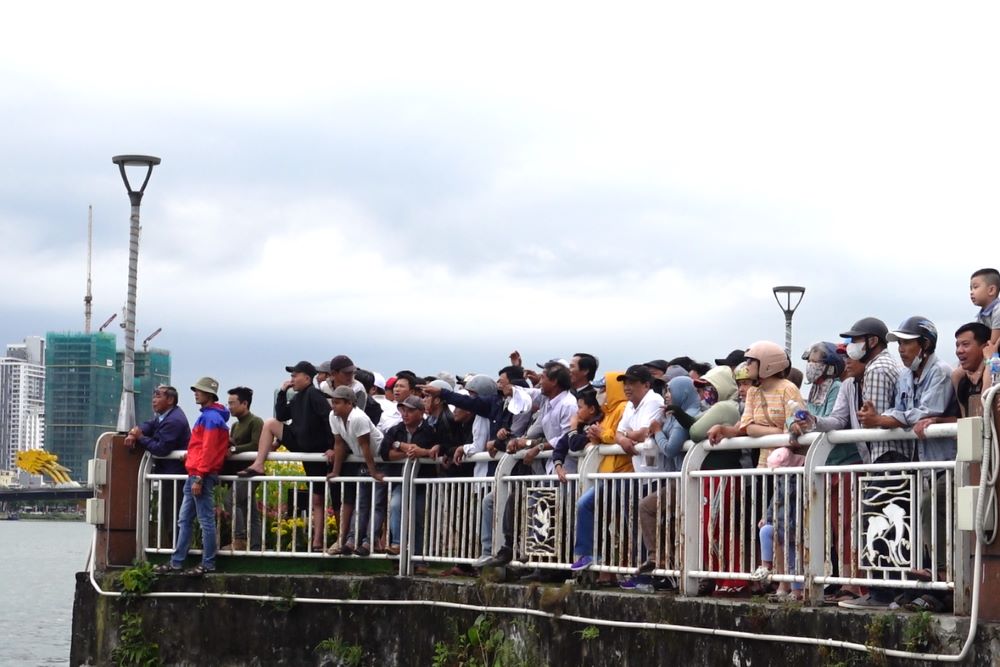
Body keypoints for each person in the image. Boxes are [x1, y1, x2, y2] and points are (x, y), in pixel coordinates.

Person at [849, 317, 958, 611]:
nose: (901, 349)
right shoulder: (905, 376)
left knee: (929, 512)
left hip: (946, 460)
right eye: (899, 343)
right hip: (922, 463)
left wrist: (882, 420)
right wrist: (884, 417)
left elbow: (926, 410)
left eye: (908, 343)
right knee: (918, 516)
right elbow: (902, 410)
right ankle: (924, 582)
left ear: (925, 344)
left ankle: (943, 585)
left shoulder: (941, 371)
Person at [571, 365, 663, 573]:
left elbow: (645, 433)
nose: (627, 387)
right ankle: (588, 555)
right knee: (586, 505)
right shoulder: (627, 406)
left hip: (646, 475)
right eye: (625, 383)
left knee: (636, 524)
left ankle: (643, 574)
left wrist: (620, 436)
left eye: (632, 383)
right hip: (629, 475)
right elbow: (621, 434)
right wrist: (624, 436)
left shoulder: (652, 401)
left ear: (646, 384)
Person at [238, 361, 332, 551]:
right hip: (301, 443)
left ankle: (317, 541)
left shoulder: (315, 395)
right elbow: (281, 415)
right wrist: (282, 393)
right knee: (271, 422)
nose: (292, 379)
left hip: (316, 449)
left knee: (317, 498)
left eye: (294, 376)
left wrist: (332, 447)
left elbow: (328, 419)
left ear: (307, 377)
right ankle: (259, 463)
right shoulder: (297, 398)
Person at [153, 377, 230, 575]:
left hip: (199, 475)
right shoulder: (211, 416)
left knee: (203, 521)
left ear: (209, 395)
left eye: (199, 391)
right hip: (196, 473)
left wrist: (199, 476)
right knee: (185, 520)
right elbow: (204, 448)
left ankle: (207, 563)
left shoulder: (210, 418)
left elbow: (209, 450)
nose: (196, 393)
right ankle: (178, 562)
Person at [634, 376, 701, 576]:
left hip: (687, 482)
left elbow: (671, 449)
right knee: (653, 510)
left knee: (647, 507)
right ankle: (661, 560)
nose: (667, 395)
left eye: (671, 390)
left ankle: (659, 558)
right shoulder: (673, 416)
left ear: (684, 392)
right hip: (679, 480)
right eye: (666, 390)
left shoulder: (685, 416)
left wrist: (656, 432)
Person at [125, 385, 191, 549]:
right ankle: (175, 551)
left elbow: (162, 449)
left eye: (158, 396)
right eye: (153, 395)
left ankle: (178, 552)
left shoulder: (174, 420)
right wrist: (134, 433)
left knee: (173, 515)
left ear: (170, 400)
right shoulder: (163, 417)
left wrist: (140, 437)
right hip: (167, 474)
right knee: (169, 515)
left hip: (175, 475)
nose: (154, 400)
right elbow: (148, 425)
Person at [326, 385, 385, 556]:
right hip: (364, 460)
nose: (333, 406)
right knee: (362, 502)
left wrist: (373, 471)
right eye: (333, 402)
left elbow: (365, 446)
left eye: (337, 403)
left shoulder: (358, 417)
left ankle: (367, 542)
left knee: (377, 503)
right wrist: (336, 471)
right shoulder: (333, 416)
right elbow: (339, 444)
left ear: (349, 403)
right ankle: (352, 541)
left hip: (378, 458)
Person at [380, 395, 439, 563]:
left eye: (410, 411)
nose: (405, 414)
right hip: (401, 479)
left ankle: (419, 560)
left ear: (421, 413)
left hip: (423, 480)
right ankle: (397, 544)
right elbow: (385, 453)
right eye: (403, 410)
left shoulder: (430, 430)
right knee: (396, 505)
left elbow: (436, 450)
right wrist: (404, 448)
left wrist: (424, 452)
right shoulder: (395, 429)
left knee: (419, 518)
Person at [220, 386, 264, 552]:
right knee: (249, 509)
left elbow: (256, 444)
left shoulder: (256, 421)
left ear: (244, 403)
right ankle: (255, 546)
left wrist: (233, 449)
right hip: (238, 473)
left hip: (251, 471)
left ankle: (239, 539)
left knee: (230, 500)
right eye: (228, 403)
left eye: (232, 403)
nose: (229, 407)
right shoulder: (235, 426)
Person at [952, 322, 994, 418]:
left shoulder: (994, 371)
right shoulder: (960, 379)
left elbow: (986, 403)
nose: (959, 350)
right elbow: (964, 416)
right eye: (957, 345)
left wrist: (989, 360)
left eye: (965, 344)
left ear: (985, 348)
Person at [970, 268, 1000, 347]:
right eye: (971, 288)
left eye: (975, 287)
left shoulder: (998, 310)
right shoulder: (981, 315)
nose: (971, 292)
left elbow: (993, 344)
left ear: (991, 290)